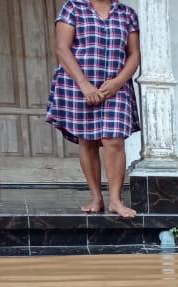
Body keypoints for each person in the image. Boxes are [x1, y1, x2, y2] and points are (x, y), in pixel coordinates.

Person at [46, 0, 142, 219]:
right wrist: (84, 84)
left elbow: (134, 54)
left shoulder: (127, 14)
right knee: (87, 141)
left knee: (114, 140)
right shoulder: (73, 7)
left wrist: (119, 81)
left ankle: (116, 200)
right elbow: (62, 48)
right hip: (79, 85)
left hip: (115, 86)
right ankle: (96, 197)